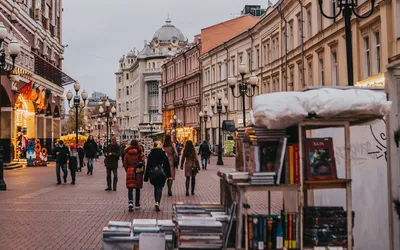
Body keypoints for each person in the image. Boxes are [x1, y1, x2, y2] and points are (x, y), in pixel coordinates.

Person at [144, 141, 171, 212]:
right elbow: (167, 165)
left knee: (156, 187)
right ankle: (157, 202)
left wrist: (146, 176)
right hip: (161, 173)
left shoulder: (151, 154)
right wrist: (168, 174)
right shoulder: (163, 154)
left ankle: (156, 201)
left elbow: (148, 165)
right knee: (160, 187)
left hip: (153, 174)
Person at [124, 140, 145, 211]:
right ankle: (137, 204)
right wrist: (142, 171)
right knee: (137, 188)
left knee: (130, 188)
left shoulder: (127, 153)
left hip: (130, 170)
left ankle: (130, 202)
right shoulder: (140, 153)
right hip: (137, 171)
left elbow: (125, 163)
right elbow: (143, 163)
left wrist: (128, 169)